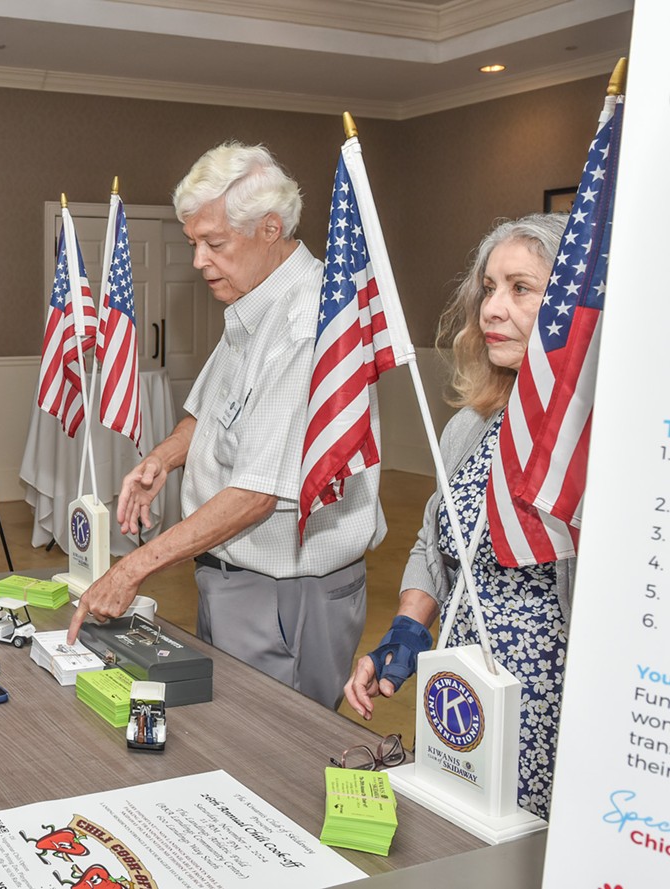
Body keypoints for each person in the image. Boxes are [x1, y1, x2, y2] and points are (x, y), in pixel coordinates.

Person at [68, 142, 385, 709]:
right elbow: (211, 415)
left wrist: (133, 567)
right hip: (235, 580)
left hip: (286, 596)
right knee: (230, 745)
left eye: (214, 243)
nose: (198, 261)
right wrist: (162, 459)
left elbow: (256, 495)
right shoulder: (253, 303)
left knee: (274, 754)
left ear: (270, 228)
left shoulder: (303, 325)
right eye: (193, 244)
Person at [344, 213, 569, 819]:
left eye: (520, 288)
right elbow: (434, 544)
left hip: (552, 702)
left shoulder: (590, 442)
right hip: (462, 693)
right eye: (489, 289)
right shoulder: (470, 426)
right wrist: (407, 633)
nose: (492, 309)